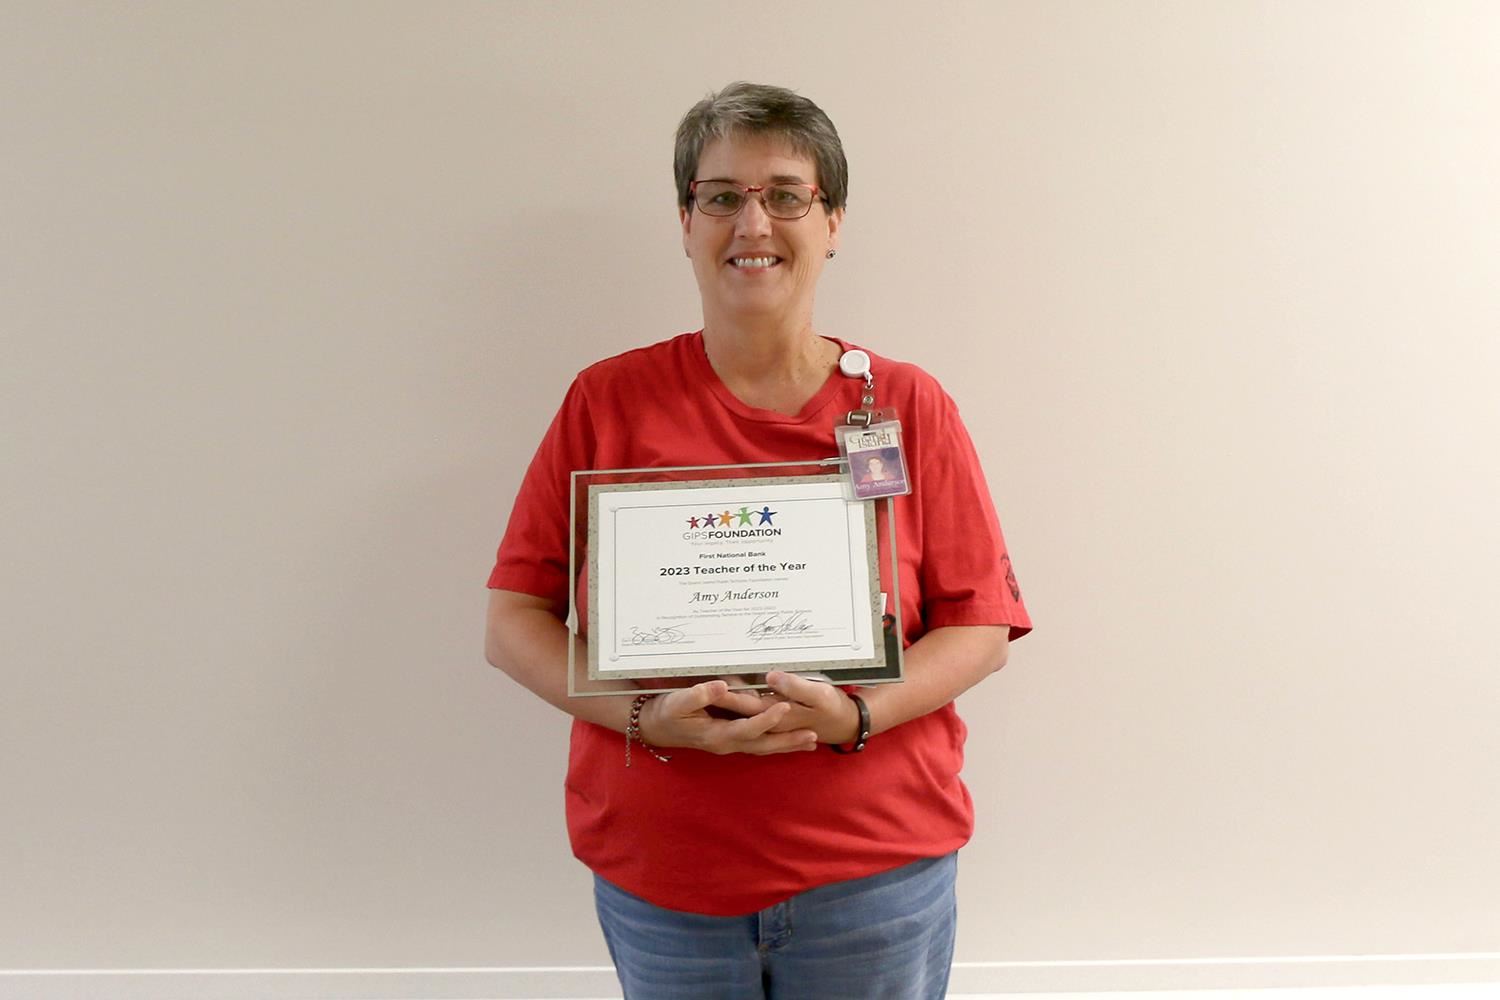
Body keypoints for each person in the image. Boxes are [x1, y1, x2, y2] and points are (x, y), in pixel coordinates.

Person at [485, 82, 1031, 999]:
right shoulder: (606, 401)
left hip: (876, 870)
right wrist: (639, 717)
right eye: (722, 195)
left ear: (833, 222)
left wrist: (858, 716)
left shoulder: (906, 406)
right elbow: (512, 624)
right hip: (668, 875)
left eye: (786, 194)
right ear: (686, 220)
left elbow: (978, 626)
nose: (754, 222)